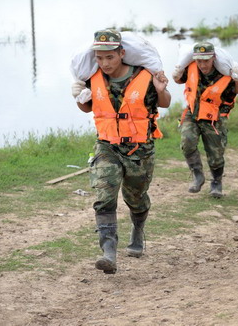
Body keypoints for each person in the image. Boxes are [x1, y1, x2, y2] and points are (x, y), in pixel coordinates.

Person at [72, 29, 171, 274]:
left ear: (122, 54)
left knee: (136, 198)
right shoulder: (92, 78)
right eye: (99, 57)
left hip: (139, 149)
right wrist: (79, 96)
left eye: (110, 57)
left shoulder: (144, 76)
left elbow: (166, 102)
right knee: (104, 196)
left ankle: (137, 230)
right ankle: (108, 251)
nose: (104, 63)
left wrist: (161, 88)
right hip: (106, 146)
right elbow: (88, 108)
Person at [172, 42, 238, 198]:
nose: (202, 64)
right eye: (199, 61)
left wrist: (237, 77)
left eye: (206, 60)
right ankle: (197, 175)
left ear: (213, 58)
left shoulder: (224, 72)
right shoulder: (192, 67)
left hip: (215, 118)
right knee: (187, 142)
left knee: (216, 155)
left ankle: (216, 182)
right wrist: (176, 73)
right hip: (193, 114)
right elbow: (179, 80)